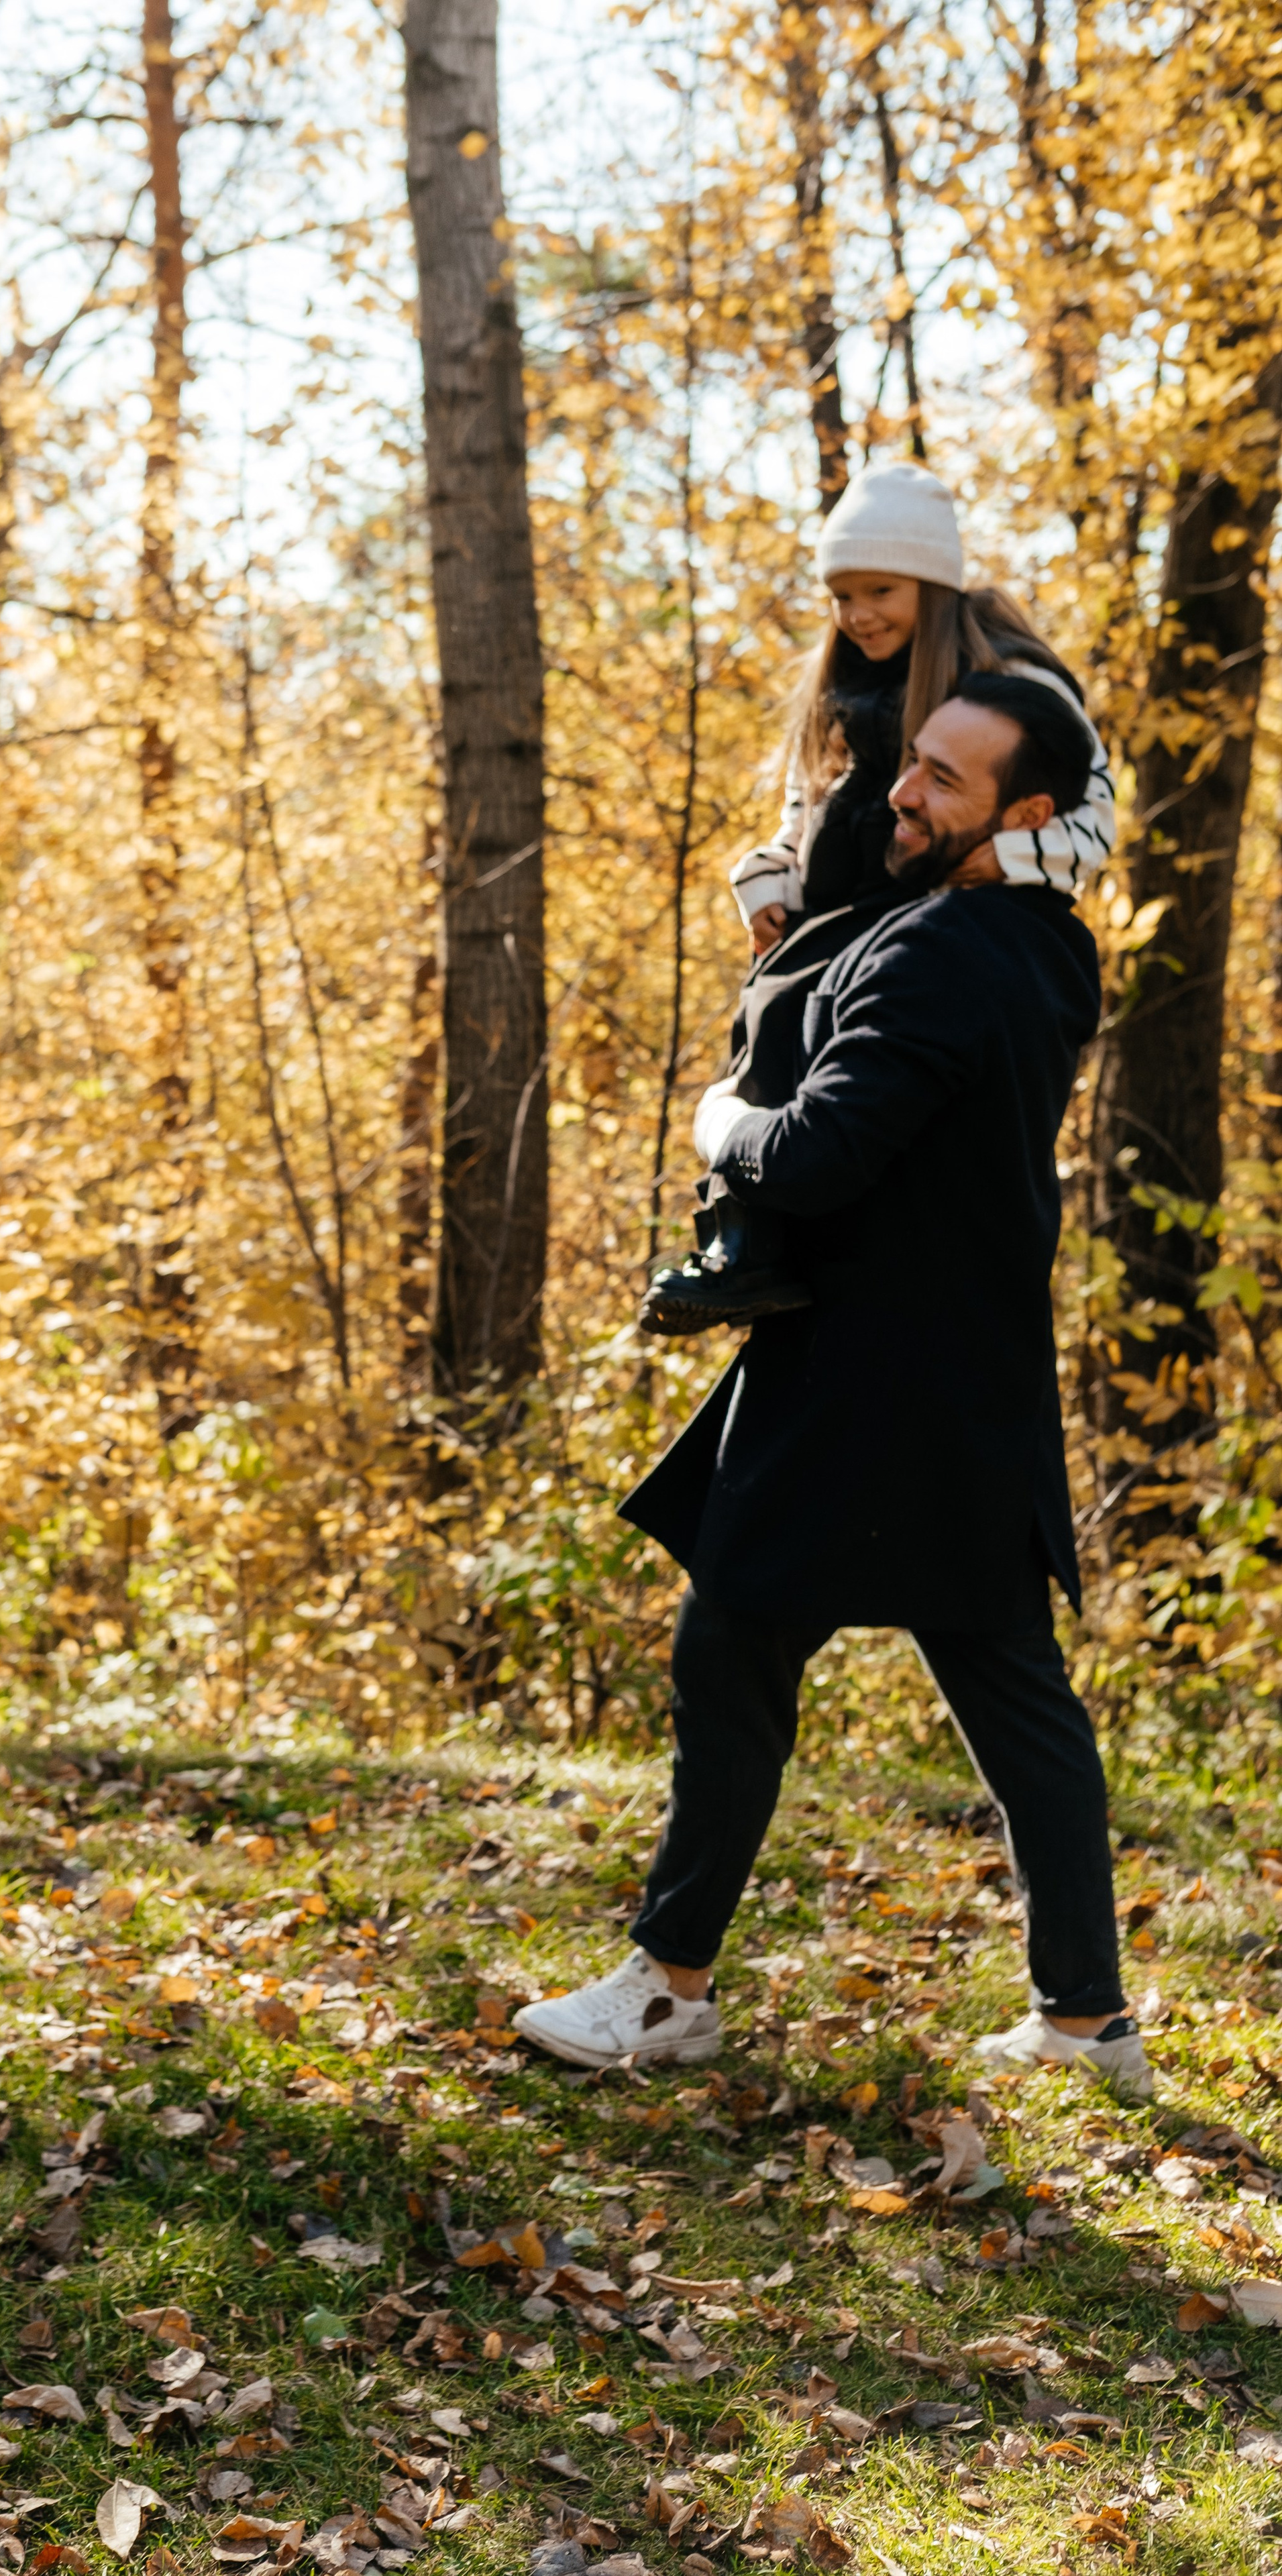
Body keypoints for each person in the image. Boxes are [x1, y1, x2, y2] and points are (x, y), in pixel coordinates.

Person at [515, 672, 1151, 2097]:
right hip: (968, 1373)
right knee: (1007, 1684)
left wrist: (718, 1114)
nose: (902, 793)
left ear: (1026, 814)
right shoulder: (1048, 946)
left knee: (730, 1646)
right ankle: (1083, 2017)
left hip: (864, 1376)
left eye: (940, 779)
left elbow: (808, 1155)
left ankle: (670, 1991)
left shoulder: (945, 954)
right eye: (909, 763)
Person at [639, 459, 1114, 1334]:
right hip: (838, 892)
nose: (857, 616)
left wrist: (1000, 859)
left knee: (811, 1016)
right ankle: (742, 1233)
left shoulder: (1006, 679)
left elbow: (1092, 808)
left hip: (919, 894)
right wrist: (773, 876)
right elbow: (804, 799)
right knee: (771, 1006)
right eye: (841, 596)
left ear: (931, 584)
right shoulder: (844, 680)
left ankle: (766, 1222)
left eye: (880, 591)